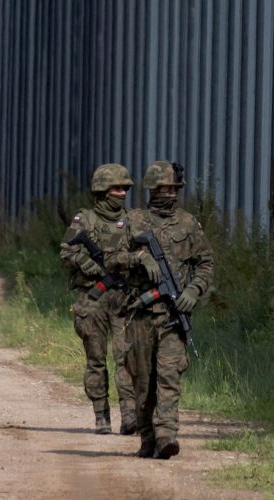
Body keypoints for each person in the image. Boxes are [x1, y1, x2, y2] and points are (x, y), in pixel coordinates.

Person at [124, 160, 214, 459]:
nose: (170, 194)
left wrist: (193, 290)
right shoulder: (133, 221)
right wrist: (139, 258)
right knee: (143, 379)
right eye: (164, 189)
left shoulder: (188, 224)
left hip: (173, 317)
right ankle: (148, 437)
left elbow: (205, 263)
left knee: (169, 375)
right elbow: (110, 257)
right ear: (151, 189)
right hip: (140, 315)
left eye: (174, 189)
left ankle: (166, 434)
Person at [58, 163, 157, 435]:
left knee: (127, 358)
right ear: (101, 191)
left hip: (124, 297)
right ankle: (101, 415)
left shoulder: (133, 220)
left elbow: (148, 253)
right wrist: (89, 265)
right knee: (96, 358)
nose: (122, 192)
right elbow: (67, 252)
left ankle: (130, 417)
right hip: (92, 298)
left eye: (125, 188)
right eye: (116, 188)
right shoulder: (84, 220)